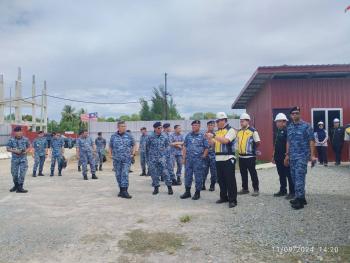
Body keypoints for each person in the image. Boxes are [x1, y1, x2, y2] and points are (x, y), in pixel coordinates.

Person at [284, 106, 317, 210]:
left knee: (299, 179)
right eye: (293, 113)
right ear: (290, 115)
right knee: (294, 178)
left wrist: (312, 155)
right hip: (292, 157)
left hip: (302, 156)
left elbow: (311, 141)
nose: (295, 115)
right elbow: (288, 141)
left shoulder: (306, 126)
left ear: (300, 114)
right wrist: (287, 155)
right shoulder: (289, 127)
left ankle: (300, 201)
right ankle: (301, 198)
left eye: (297, 113)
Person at [206, 112, 238, 208]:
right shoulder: (217, 132)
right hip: (218, 158)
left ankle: (233, 200)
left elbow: (226, 141)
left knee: (230, 180)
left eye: (219, 120)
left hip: (228, 157)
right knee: (221, 180)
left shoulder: (231, 130)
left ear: (224, 120)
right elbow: (213, 145)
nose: (217, 122)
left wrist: (213, 136)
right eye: (217, 121)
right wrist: (209, 139)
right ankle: (223, 197)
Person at [180, 120, 209, 200]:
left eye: (196, 125)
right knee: (187, 176)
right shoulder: (188, 135)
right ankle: (187, 192)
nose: (194, 126)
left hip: (198, 160)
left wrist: (203, 156)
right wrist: (183, 158)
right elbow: (185, 147)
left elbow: (207, 147)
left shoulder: (203, 136)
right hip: (189, 160)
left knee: (198, 176)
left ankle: (197, 193)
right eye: (193, 125)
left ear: (199, 126)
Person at [109, 121, 136, 199]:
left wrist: (133, 154)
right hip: (116, 159)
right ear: (118, 127)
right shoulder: (113, 136)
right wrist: (110, 154)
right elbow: (110, 146)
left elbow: (134, 144)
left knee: (125, 173)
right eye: (122, 126)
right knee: (118, 175)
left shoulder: (129, 135)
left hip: (126, 159)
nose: (124, 127)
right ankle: (121, 190)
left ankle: (125, 191)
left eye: (125, 126)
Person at [236, 113, 261, 196]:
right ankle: (245, 188)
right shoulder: (239, 132)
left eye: (243, 121)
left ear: (247, 121)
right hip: (241, 156)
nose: (241, 123)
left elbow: (258, 142)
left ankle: (256, 189)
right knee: (243, 173)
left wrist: (251, 149)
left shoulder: (253, 131)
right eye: (240, 121)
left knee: (252, 173)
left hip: (250, 156)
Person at [146, 122, 173, 195]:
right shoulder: (150, 137)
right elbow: (147, 147)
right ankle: (156, 188)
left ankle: (169, 187)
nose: (160, 129)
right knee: (154, 174)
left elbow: (167, 145)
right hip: (152, 159)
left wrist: (164, 153)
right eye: (159, 128)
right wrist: (148, 159)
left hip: (162, 158)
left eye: (161, 128)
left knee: (165, 173)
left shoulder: (164, 136)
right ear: (154, 128)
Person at [272, 113, 294, 199]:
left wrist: (287, 156)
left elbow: (289, 144)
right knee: (281, 174)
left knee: (289, 175)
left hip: (285, 157)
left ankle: (292, 192)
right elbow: (276, 144)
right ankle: (283, 190)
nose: (277, 123)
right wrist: (273, 155)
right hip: (278, 157)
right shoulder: (277, 131)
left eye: (278, 121)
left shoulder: (287, 131)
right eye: (276, 122)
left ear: (284, 122)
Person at [6, 126, 31, 193]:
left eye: (20, 131)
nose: (19, 133)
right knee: (14, 174)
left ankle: (20, 187)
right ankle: (16, 185)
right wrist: (15, 151)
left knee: (22, 173)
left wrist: (26, 151)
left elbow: (29, 147)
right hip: (14, 160)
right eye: (17, 132)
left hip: (23, 159)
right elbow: (8, 148)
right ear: (15, 133)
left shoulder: (25, 139)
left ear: (21, 132)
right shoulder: (11, 140)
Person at [203, 120, 217, 191]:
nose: (210, 126)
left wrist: (211, 139)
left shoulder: (216, 135)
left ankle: (212, 185)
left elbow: (217, 145)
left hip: (213, 155)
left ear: (214, 126)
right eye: (209, 125)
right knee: (204, 171)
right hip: (205, 156)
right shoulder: (203, 135)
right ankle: (202, 184)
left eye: (212, 125)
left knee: (213, 171)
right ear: (207, 126)